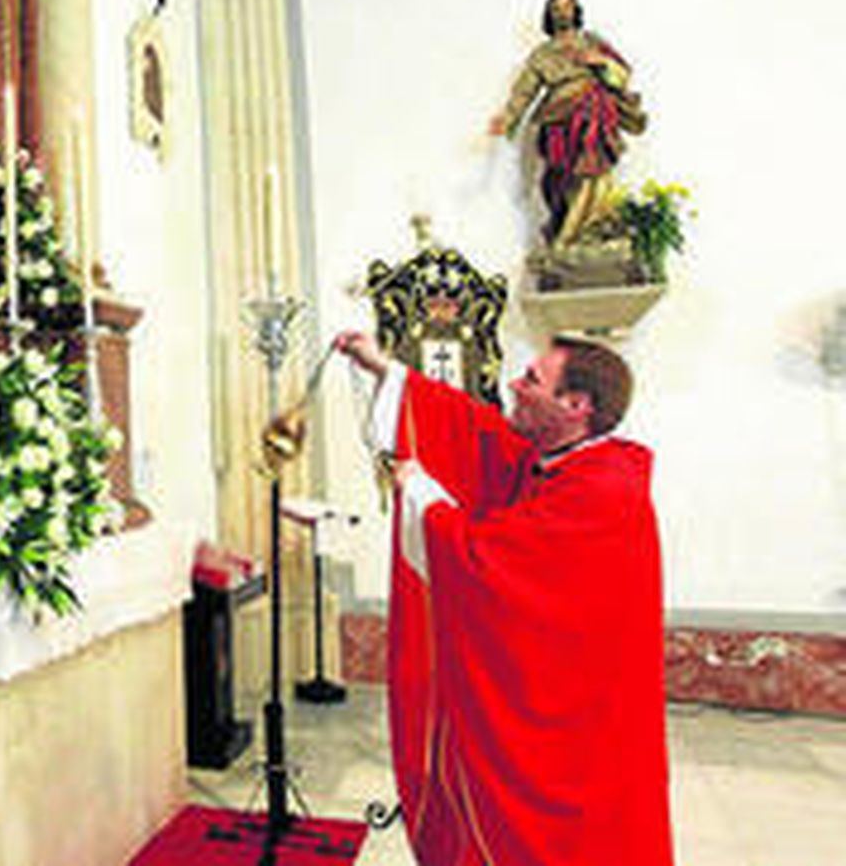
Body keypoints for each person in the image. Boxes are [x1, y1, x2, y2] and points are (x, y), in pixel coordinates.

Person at [266, 332, 673, 866]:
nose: (514, 386)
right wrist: (385, 370)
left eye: (532, 380)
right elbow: (475, 431)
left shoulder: (601, 490)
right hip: (576, 711)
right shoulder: (560, 462)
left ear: (576, 405)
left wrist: (420, 492)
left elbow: (486, 564)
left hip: (579, 731)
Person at [491, 0, 647, 247]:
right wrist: (507, 118)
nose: (562, 12)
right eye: (556, 8)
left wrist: (600, 62)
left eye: (567, 7)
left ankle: (590, 227)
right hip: (559, 121)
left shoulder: (592, 42)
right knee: (560, 178)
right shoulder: (542, 55)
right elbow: (524, 91)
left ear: (576, 11)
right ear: (549, 16)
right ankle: (565, 227)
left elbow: (623, 75)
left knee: (595, 170)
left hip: (594, 112)